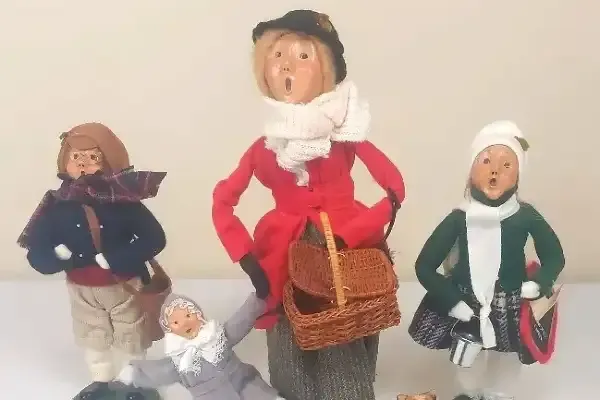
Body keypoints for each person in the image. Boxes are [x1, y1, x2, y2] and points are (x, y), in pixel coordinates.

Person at [211, 9, 405, 400]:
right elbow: (222, 201)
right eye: (277, 56)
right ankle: (294, 389)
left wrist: (364, 226)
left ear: (326, 69)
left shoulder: (345, 135)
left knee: (344, 319)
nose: (287, 66)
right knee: (289, 321)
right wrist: (246, 256)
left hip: (344, 241)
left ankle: (348, 390)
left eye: (303, 56)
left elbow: (394, 187)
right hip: (286, 244)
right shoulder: (265, 147)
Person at [408, 121, 565, 400]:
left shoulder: (525, 216)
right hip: (466, 302)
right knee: (466, 358)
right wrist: (452, 301)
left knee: (508, 358)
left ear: (517, 175)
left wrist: (540, 283)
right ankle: (468, 393)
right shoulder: (458, 218)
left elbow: (554, 256)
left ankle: (499, 394)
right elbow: (424, 267)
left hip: (510, 302)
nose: (495, 171)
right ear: (471, 169)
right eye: (486, 161)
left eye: (506, 165)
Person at [17, 123, 167, 400]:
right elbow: (36, 250)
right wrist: (56, 258)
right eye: (76, 156)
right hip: (81, 289)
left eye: (93, 156)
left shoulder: (124, 202)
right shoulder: (56, 205)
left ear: (110, 160)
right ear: (64, 160)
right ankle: (101, 381)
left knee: (131, 333)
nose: (83, 163)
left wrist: (116, 259)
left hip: (123, 285)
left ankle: (134, 382)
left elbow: (154, 238)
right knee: (92, 335)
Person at [116, 292, 285, 400]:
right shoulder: (180, 361)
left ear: (199, 315)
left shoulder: (216, 336)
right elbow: (160, 372)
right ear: (169, 329)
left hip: (243, 383)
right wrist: (135, 373)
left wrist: (256, 302)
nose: (185, 323)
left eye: (188, 315)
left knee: (259, 393)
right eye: (176, 322)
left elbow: (238, 322)